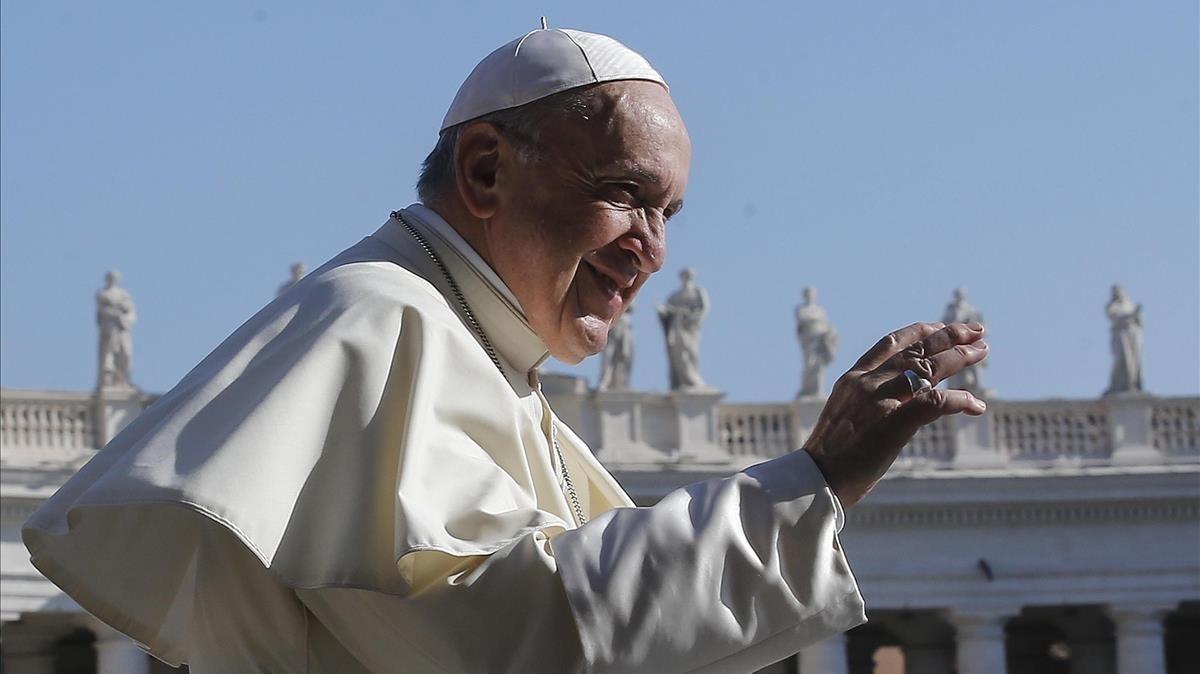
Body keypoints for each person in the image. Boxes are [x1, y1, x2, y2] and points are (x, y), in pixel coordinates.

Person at [22, 25, 990, 672]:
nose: (652, 248)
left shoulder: (482, 356)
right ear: (486, 168)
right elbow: (518, 634)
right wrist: (814, 474)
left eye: (669, 214)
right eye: (626, 193)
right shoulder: (378, 322)